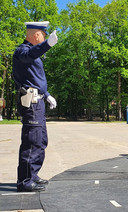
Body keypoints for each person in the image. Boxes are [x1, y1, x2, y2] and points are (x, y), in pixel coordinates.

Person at [12, 21, 58, 192]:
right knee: (31, 142)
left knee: (40, 141)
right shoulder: (22, 51)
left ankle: (33, 175)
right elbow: (30, 54)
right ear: (36, 34)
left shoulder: (33, 54)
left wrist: (47, 95)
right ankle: (24, 181)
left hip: (38, 101)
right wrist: (47, 45)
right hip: (30, 102)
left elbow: (35, 79)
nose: (45, 37)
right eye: (43, 35)